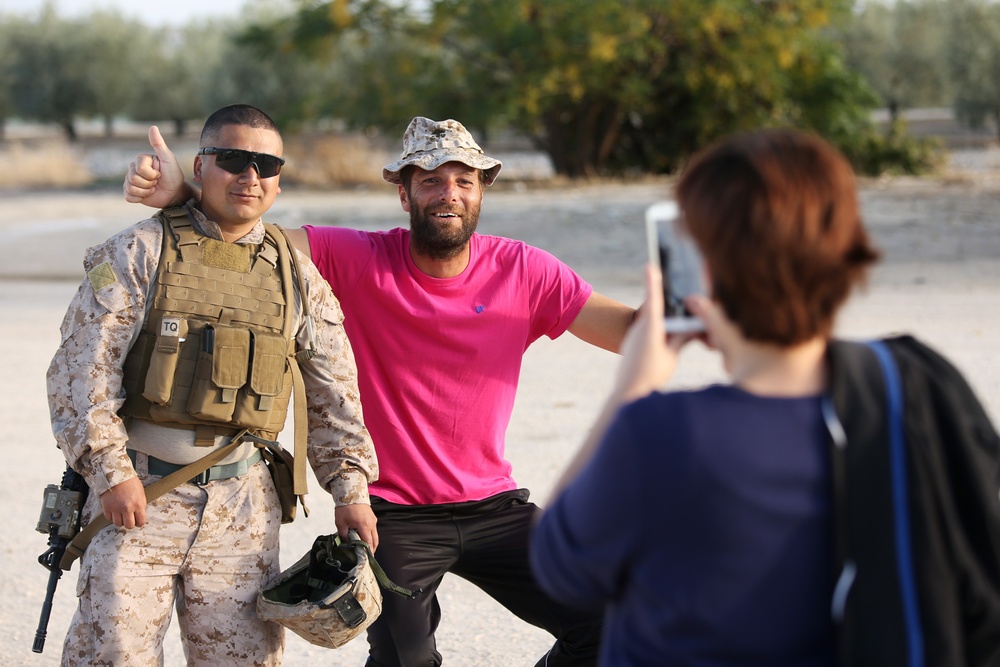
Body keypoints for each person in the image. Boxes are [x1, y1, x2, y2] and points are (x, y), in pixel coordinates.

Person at [123, 116, 636, 666]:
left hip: (495, 508)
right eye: (431, 180)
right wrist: (185, 194)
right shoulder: (357, 258)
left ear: (482, 190)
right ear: (404, 192)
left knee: (614, 623)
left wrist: (708, 299)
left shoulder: (525, 270)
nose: (449, 194)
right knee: (403, 661)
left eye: (464, 181)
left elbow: (630, 331)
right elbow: (253, 237)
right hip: (393, 517)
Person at [530, 128, 883, 666]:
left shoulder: (667, 431)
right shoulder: (912, 388)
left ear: (707, 269)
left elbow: (558, 564)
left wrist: (636, 382)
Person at [49, 103, 378, 667]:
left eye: (266, 164)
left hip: (245, 509)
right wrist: (110, 472)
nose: (250, 176)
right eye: (233, 159)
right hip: (139, 497)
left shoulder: (297, 275)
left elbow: (334, 393)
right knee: (113, 657)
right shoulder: (138, 251)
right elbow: (81, 373)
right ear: (200, 167)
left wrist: (350, 491)